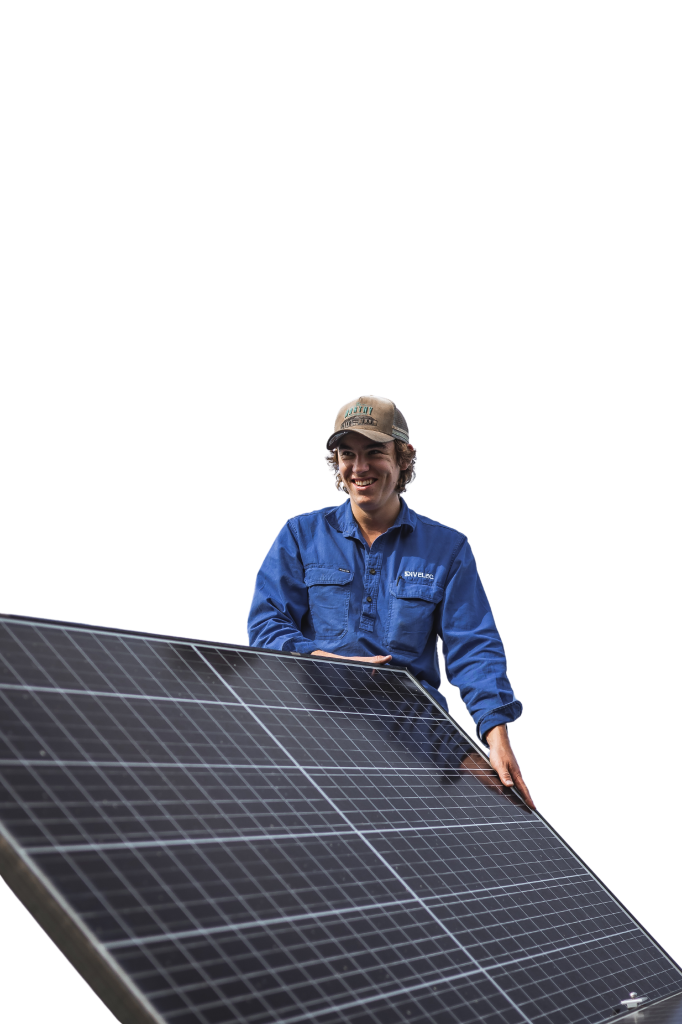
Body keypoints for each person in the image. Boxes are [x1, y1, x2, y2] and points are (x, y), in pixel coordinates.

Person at [246, 394, 535, 810]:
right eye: (348, 454)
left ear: (403, 459)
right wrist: (321, 657)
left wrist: (496, 734)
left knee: (475, 825)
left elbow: (473, 646)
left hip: (413, 736)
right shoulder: (299, 534)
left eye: (375, 453)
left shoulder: (448, 548)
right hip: (311, 726)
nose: (359, 468)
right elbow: (266, 624)